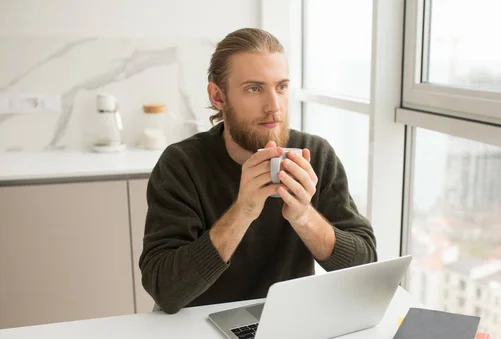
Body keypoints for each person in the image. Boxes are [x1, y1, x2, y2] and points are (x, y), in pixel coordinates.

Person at [139, 28, 377, 314]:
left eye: (281, 87)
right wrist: (243, 211)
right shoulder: (181, 165)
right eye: (254, 88)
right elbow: (165, 290)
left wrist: (304, 216)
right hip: (198, 330)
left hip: (285, 323)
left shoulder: (316, 156)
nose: (274, 107)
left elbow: (366, 269)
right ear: (218, 96)